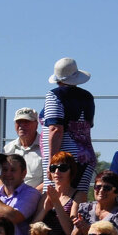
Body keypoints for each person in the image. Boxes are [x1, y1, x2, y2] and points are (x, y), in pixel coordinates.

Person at [41, 57, 95, 197]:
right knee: (77, 200)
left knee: (55, 199)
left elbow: (55, 129)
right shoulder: (87, 97)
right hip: (86, 157)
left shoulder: (55, 95)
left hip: (64, 160)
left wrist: (52, 163)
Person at [32, 151, 81, 235]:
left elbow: (70, 231)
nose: (57, 172)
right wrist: (45, 210)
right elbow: (33, 229)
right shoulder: (46, 195)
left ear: (71, 171)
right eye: (53, 168)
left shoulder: (78, 195)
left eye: (63, 168)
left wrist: (56, 203)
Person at [3, 107, 44, 189]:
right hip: (11, 196)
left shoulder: (45, 148)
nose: (21, 125)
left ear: (36, 124)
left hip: (38, 197)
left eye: (26, 122)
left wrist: (29, 195)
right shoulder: (7, 149)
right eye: (18, 122)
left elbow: (50, 179)